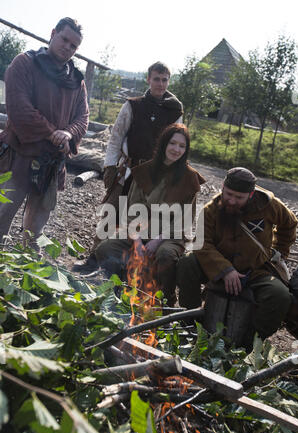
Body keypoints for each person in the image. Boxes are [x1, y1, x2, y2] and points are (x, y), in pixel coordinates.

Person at [73, 61, 183, 273]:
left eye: (164, 80)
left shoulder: (174, 111)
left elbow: (177, 142)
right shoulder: (133, 105)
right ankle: (94, 258)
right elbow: (116, 138)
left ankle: (129, 267)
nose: (160, 84)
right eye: (156, 79)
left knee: (142, 219)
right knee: (111, 212)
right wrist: (110, 166)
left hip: (155, 175)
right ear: (148, 79)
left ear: (168, 81)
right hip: (129, 171)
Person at [176, 167, 298, 341]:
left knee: (280, 296)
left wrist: (280, 251)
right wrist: (225, 270)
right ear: (223, 187)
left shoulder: (269, 206)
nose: (231, 201)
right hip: (218, 268)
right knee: (187, 263)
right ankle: (190, 324)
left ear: (250, 194)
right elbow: (202, 244)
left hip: (256, 271)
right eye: (228, 194)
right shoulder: (211, 210)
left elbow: (290, 223)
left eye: (238, 197)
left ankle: (248, 344)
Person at [0, 17, 89, 248]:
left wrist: (68, 134)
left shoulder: (76, 80)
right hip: (19, 155)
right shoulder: (25, 63)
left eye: (73, 46)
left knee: (36, 228)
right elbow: (20, 109)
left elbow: (83, 116)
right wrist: (53, 133)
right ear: (53, 33)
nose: (67, 47)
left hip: (51, 162)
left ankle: (26, 273)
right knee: (2, 214)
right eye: (64, 40)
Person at [94, 123, 205, 307]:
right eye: (172, 143)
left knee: (165, 256)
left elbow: (183, 222)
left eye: (182, 146)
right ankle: (116, 290)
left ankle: (165, 300)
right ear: (163, 144)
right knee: (106, 248)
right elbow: (131, 212)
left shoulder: (189, 179)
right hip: (140, 231)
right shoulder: (144, 171)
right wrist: (137, 240)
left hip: (170, 236)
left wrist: (157, 240)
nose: (176, 149)